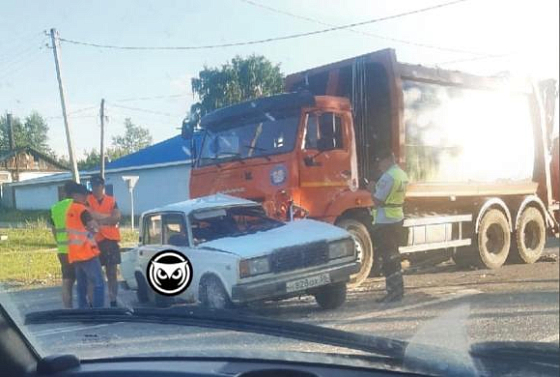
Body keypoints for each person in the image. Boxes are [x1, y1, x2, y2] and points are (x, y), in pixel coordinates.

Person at [368, 149, 409, 303]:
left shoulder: (388, 176)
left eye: (380, 162)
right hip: (397, 218)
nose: (379, 166)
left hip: (386, 222)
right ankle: (398, 290)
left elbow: (377, 201)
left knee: (389, 259)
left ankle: (394, 292)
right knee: (394, 256)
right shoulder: (401, 174)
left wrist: (372, 190)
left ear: (387, 160)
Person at [66, 183, 105, 308]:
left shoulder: (70, 210)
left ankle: (83, 312)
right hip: (87, 253)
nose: (86, 197)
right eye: (84, 195)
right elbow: (94, 227)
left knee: (81, 286)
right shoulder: (82, 210)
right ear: (76, 195)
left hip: (76, 254)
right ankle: (98, 311)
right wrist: (98, 227)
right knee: (98, 283)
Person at [87, 175, 122, 308]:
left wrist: (100, 220)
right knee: (93, 275)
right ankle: (92, 303)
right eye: (93, 186)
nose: (95, 188)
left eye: (98, 186)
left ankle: (113, 301)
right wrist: (108, 217)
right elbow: (90, 215)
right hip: (93, 241)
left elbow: (117, 217)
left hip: (110, 240)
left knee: (112, 273)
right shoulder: (87, 200)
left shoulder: (111, 200)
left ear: (102, 186)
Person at [49, 181, 77, 308]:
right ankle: (88, 308)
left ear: (64, 193)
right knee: (85, 280)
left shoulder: (55, 208)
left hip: (62, 250)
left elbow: (54, 230)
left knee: (67, 281)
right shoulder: (77, 205)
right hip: (78, 250)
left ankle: (68, 309)